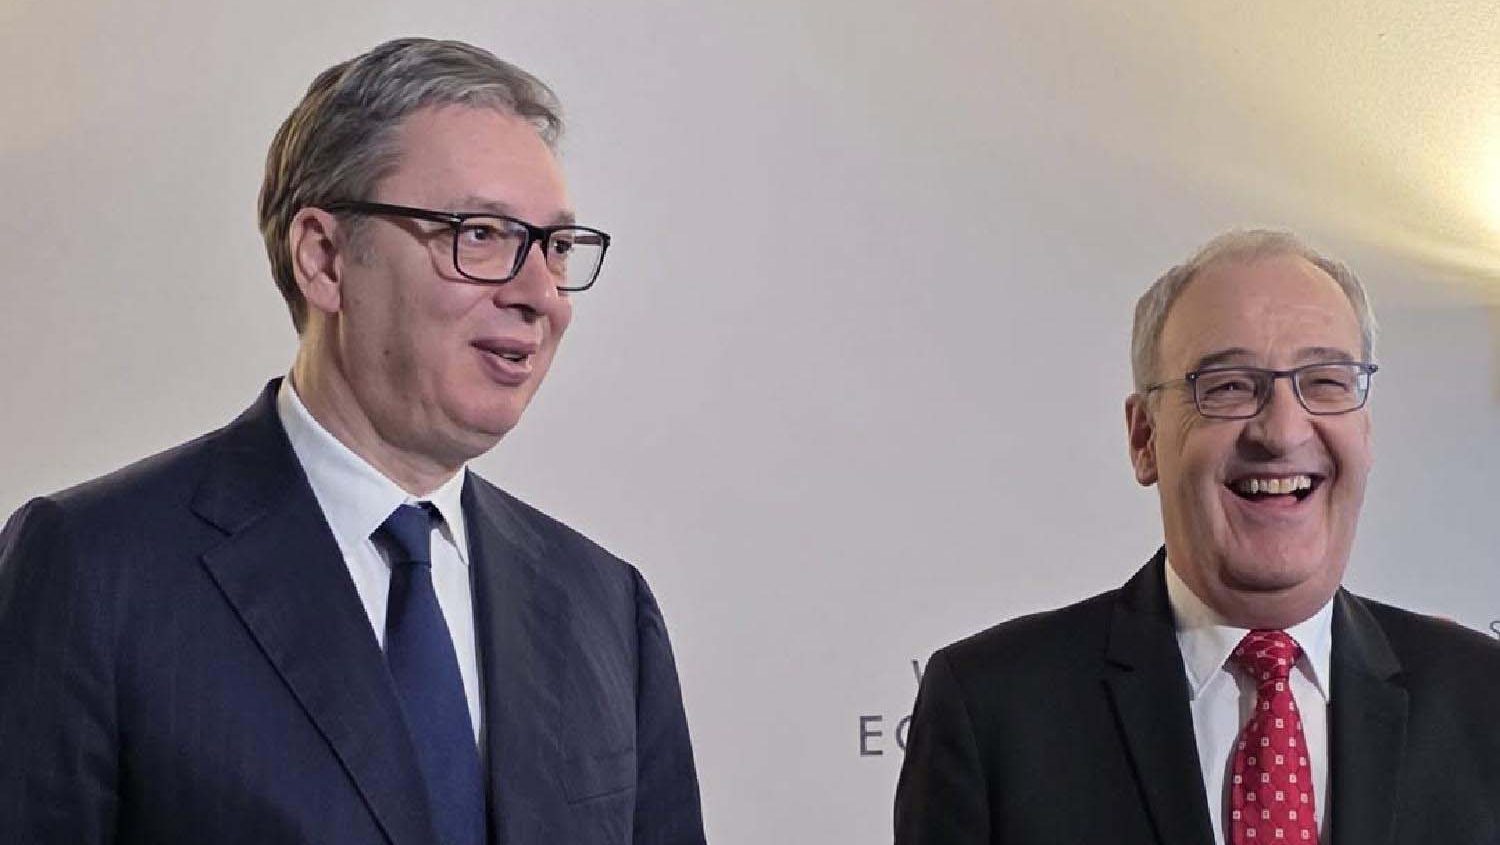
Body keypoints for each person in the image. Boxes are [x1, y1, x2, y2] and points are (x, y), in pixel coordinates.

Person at [0, 37, 705, 845]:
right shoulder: (93, 568)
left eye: (556, 247)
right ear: (325, 259)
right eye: (481, 234)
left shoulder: (605, 606)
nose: (540, 293)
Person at [894, 229, 1500, 845]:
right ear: (1144, 438)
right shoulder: (993, 709)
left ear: (1365, 432)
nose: (1283, 432)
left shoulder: (1484, 697)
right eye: (1229, 386)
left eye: (1325, 382)